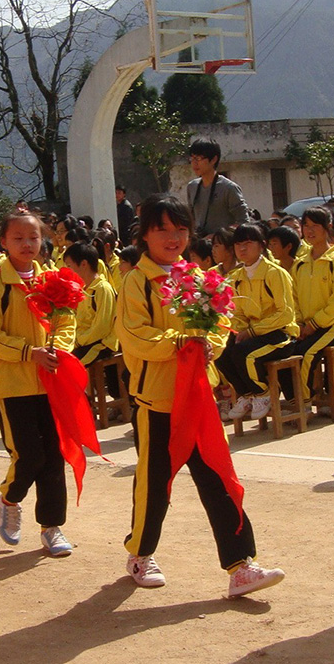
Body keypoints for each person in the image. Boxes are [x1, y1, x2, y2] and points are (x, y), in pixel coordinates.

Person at [115, 194, 284, 594]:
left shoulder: (197, 276)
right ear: (144, 235)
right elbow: (135, 336)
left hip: (199, 396)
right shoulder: (136, 282)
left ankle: (241, 565)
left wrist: (210, 345)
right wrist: (180, 343)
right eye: (162, 230)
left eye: (181, 229)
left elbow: (221, 322)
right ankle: (140, 552)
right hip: (158, 400)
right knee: (154, 484)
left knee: (218, 478)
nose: (173, 238)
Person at [0, 211, 76, 556]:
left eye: (33, 237)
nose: (27, 244)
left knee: (54, 457)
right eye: (18, 238)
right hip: (12, 384)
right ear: (3, 242)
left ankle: (52, 527)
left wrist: (59, 349)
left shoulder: (51, 279)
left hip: (49, 381)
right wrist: (28, 352)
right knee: (28, 455)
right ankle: (9, 498)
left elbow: (67, 320)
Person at [216, 223, 298, 421]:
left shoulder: (274, 273)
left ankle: (262, 392)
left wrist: (252, 331)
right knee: (221, 351)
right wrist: (236, 331)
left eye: (248, 243)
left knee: (244, 354)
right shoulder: (236, 277)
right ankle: (246, 394)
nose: (242, 249)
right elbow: (238, 312)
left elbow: (285, 313)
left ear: (262, 245)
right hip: (252, 333)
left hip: (280, 334)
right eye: (238, 244)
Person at [278, 207, 334, 417]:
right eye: (306, 226)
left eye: (315, 226)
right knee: (284, 352)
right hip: (306, 327)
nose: (309, 231)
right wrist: (299, 323)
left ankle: (303, 404)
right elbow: (293, 297)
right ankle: (296, 399)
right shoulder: (300, 263)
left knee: (307, 354)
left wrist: (313, 325)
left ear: (328, 227)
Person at [186, 138, 249, 236]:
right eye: (192, 158)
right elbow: (192, 219)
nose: (194, 163)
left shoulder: (229, 188)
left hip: (224, 244)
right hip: (200, 243)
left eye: (198, 158)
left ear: (214, 159)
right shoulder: (192, 187)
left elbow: (244, 222)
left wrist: (218, 236)